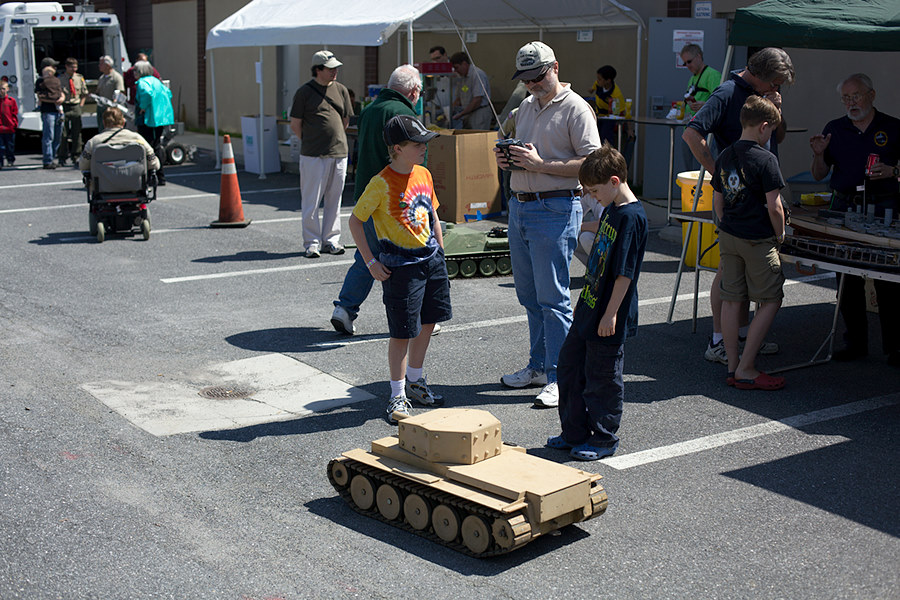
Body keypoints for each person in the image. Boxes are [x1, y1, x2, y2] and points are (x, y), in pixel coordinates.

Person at [494, 41, 601, 408]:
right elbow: (522, 150)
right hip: (521, 207)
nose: (532, 85)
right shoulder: (525, 105)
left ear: (555, 67)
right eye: (525, 79)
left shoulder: (576, 108)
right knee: (529, 296)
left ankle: (560, 375)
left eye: (538, 77)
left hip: (555, 208)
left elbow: (593, 165)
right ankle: (539, 367)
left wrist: (540, 165)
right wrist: (507, 158)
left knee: (553, 299)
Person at [682, 47, 794, 365]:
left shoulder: (766, 94)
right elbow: (692, 134)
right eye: (773, 83)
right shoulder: (728, 92)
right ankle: (719, 340)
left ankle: (739, 337)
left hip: (757, 197)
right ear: (758, 75)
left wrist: (778, 110)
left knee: (740, 273)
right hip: (738, 203)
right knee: (728, 274)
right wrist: (723, 174)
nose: (775, 89)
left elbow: (778, 137)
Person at [546, 145, 647, 460]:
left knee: (602, 378)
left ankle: (603, 438)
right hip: (590, 307)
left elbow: (624, 275)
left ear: (614, 181)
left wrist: (610, 315)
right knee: (570, 368)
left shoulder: (632, 217)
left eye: (593, 191)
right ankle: (574, 432)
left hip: (609, 314)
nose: (591, 197)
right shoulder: (613, 209)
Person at [349, 115, 451, 423]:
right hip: (401, 265)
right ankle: (397, 395)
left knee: (429, 322)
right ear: (397, 148)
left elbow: (433, 214)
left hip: (430, 259)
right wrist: (370, 262)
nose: (423, 148)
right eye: (416, 144)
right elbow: (356, 221)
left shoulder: (423, 173)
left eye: (424, 143)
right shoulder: (380, 183)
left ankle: (416, 381)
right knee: (402, 332)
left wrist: (440, 250)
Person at [809, 73, 900, 367]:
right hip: (845, 207)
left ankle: (895, 347)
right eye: (846, 98)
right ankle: (855, 342)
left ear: (871, 95)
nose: (851, 103)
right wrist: (819, 155)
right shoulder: (835, 128)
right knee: (846, 278)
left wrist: (893, 172)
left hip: (883, 207)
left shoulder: (893, 127)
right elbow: (819, 174)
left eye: (856, 96)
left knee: (887, 281)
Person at [331, 64, 422, 335]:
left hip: (367, 194)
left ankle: (345, 308)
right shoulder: (404, 113)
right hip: (394, 198)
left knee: (368, 255)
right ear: (413, 90)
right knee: (406, 258)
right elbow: (413, 158)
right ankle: (413, 316)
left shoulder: (370, 109)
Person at [713, 96, 787, 390]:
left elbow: (718, 199)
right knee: (770, 299)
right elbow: (775, 206)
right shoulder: (767, 159)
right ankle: (747, 366)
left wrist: (726, 224)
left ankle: (733, 365)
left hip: (729, 235)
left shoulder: (725, 154)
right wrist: (779, 235)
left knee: (732, 299)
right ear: (764, 127)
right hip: (757, 239)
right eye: (771, 130)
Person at [290, 50, 354, 258]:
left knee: (335, 199)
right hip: (313, 155)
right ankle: (311, 242)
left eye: (336, 68)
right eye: (330, 68)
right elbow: (295, 124)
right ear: (318, 70)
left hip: (339, 153)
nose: (335, 71)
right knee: (311, 200)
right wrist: (310, 142)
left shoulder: (342, 90)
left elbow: (345, 120)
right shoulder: (304, 92)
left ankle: (331, 239)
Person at [79, 106, 161, 173]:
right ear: (123, 122)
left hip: (103, 187)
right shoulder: (137, 139)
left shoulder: (94, 142)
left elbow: (83, 165)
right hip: (135, 186)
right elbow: (154, 163)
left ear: (103, 123)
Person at [679, 44, 721, 170]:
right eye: (685, 63)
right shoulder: (692, 78)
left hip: (704, 133)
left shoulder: (712, 75)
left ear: (699, 56)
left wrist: (704, 105)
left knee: (700, 173)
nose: (687, 66)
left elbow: (720, 103)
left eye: (689, 61)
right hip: (690, 129)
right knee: (690, 173)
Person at [134, 60, 174, 185]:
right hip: (160, 119)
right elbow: (169, 93)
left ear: (140, 71)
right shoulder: (157, 81)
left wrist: (143, 106)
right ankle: (160, 176)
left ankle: (152, 176)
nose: (133, 73)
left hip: (148, 119)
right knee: (156, 146)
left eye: (135, 70)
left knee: (147, 148)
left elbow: (146, 94)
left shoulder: (142, 82)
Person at [56, 58, 89, 167]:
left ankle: (76, 156)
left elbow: (84, 93)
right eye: (72, 67)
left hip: (76, 106)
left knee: (77, 133)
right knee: (63, 133)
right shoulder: (60, 79)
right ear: (66, 67)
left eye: (75, 67)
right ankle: (62, 156)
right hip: (65, 106)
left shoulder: (79, 78)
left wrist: (81, 105)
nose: (74, 69)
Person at [449, 52, 492, 130]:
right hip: (467, 113)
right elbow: (458, 99)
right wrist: (449, 112)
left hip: (479, 112)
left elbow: (477, 100)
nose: (456, 71)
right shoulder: (462, 78)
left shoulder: (477, 74)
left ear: (464, 64)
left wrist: (461, 114)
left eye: (457, 67)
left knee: (478, 139)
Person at [590, 65, 630, 147]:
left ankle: (606, 152)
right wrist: (591, 90)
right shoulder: (598, 84)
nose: (597, 81)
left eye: (600, 79)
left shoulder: (616, 94)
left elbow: (624, 111)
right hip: (598, 115)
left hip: (609, 117)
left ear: (608, 80)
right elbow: (593, 88)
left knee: (605, 134)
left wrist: (629, 129)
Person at [35, 64, 64, 169]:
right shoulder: (40, 82)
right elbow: (40, 97)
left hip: (59, 111)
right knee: (48, 136)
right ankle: (47, 160)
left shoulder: (56, 81)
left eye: (45, 73)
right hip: (48, 112)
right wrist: (53, 100)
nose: (43, 75)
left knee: (57, 136)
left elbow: (60, 92)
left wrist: (61, 98)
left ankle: (52, 157)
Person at [95, 55, 125, 133]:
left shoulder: (116, 77)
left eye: (101, 64)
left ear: (107, 66)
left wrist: (114, 104)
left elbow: (120, 92)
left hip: (110, 109)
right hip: (101, 107)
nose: (99, 66)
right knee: (101, 129)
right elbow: (98, 91)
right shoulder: (101, 78)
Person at [0, 81, 18, 169]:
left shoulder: (11, 101)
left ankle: (10, 160)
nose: (1, 91)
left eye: (3, 89)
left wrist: (14, 123)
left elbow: (14, 113)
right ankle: (0, 162)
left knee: (10, 146)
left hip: (10, 128)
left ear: (7, 89)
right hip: (0, 128)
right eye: (0, 89)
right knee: (0, 147)